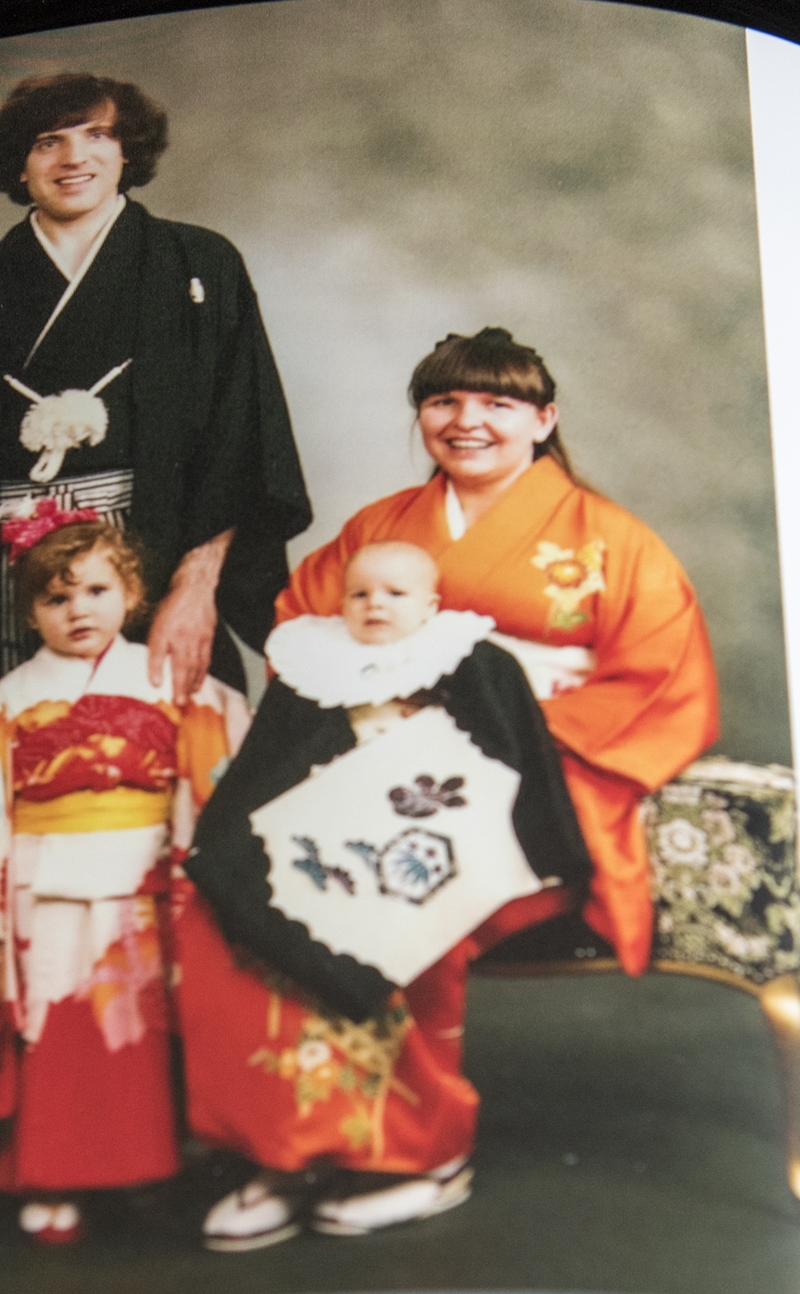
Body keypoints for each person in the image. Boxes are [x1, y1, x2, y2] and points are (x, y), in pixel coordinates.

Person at [0, 71, 311, 725]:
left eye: (97, 135)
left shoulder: (199, 266)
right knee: (17, 750)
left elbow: (243, 445)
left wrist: (196, 589)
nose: (74, 158)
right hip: (4, 581)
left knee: (159, 751)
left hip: (155, 568)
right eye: (48, 142)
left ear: (127, 152)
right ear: (20, 165)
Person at [177, 541, 594, 1249]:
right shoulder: (311, 667)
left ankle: (426, 1159)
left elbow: (508, 771)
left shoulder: (473, 662)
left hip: (431, 861)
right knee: (233, 936)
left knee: (409, 963)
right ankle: (286, 1156)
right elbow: (264, 779)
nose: (375, 605)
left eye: (395, 594)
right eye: (360, 593)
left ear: (430, 604)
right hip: (324, 853)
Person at [277, 327, 720, 979]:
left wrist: (504, 730)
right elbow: (303, 631)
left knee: (392, 892)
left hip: (538, 751)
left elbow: (663, 673)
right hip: (385, 743)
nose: (466, 422)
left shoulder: (612, 538)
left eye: (496, 405)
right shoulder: (378, 528)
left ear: (543, 420)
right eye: (444, 402)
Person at [0, 517, 246, 1246]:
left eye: (97, 591)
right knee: (56, 1031)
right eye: (56, 599)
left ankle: (146, 1172)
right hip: (44, 891)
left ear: (132, 594)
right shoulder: (10, 696)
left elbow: (226, 758)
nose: (79, 611)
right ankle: (53, 1177)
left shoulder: (168, 675)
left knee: (139, 1031)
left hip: (145, 885)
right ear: (31, 614)